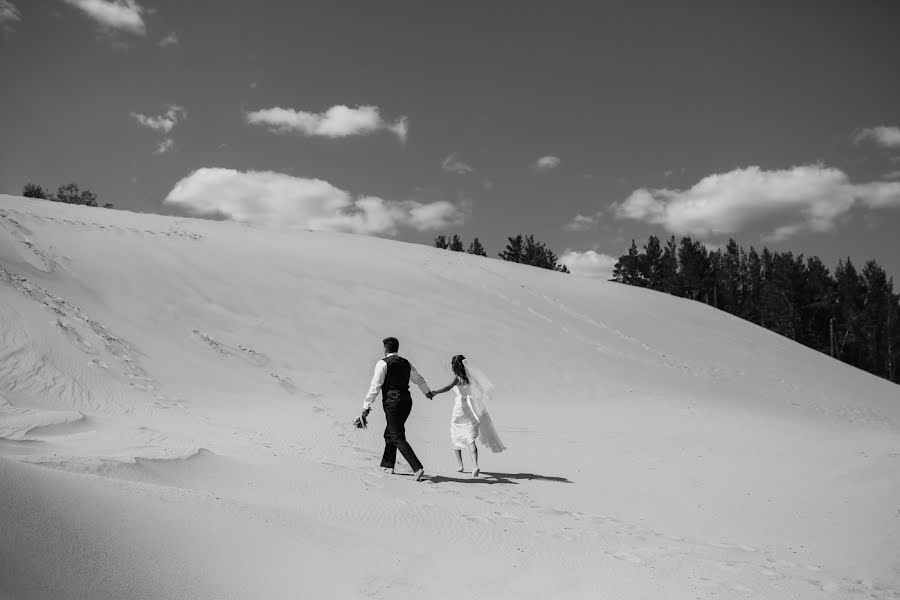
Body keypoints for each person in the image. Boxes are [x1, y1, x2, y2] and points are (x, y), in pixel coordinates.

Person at [359, 337, 432, 481]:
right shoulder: (406, 363)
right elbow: (419, 379)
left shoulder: (382, 363)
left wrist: (366, 406)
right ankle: (389, 465)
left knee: (397, 436)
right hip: (406, 403)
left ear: (385, 349)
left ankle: (417, 468)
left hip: (392, 404)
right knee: (389, 433)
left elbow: (376, 386)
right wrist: (427, 392)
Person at [429, 354, 505, 477]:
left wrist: (435, 392)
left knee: (456, 434)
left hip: (460, 407)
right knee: (470, 439)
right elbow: (480, 388)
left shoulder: (457, 378)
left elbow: (448, 387)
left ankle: (460, 465)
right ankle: (475, 465)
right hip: (472, 406)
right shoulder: (471, 378)